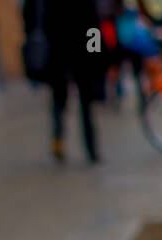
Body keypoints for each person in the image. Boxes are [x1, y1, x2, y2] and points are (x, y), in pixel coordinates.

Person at [23, 0, 103, 163]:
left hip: (57, 52)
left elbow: (29, 16)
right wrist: (94, 53)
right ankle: (91, 148)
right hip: (79, 53)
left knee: (59, 100)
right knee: (84, 104)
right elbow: (93, 23)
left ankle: (59, 138)